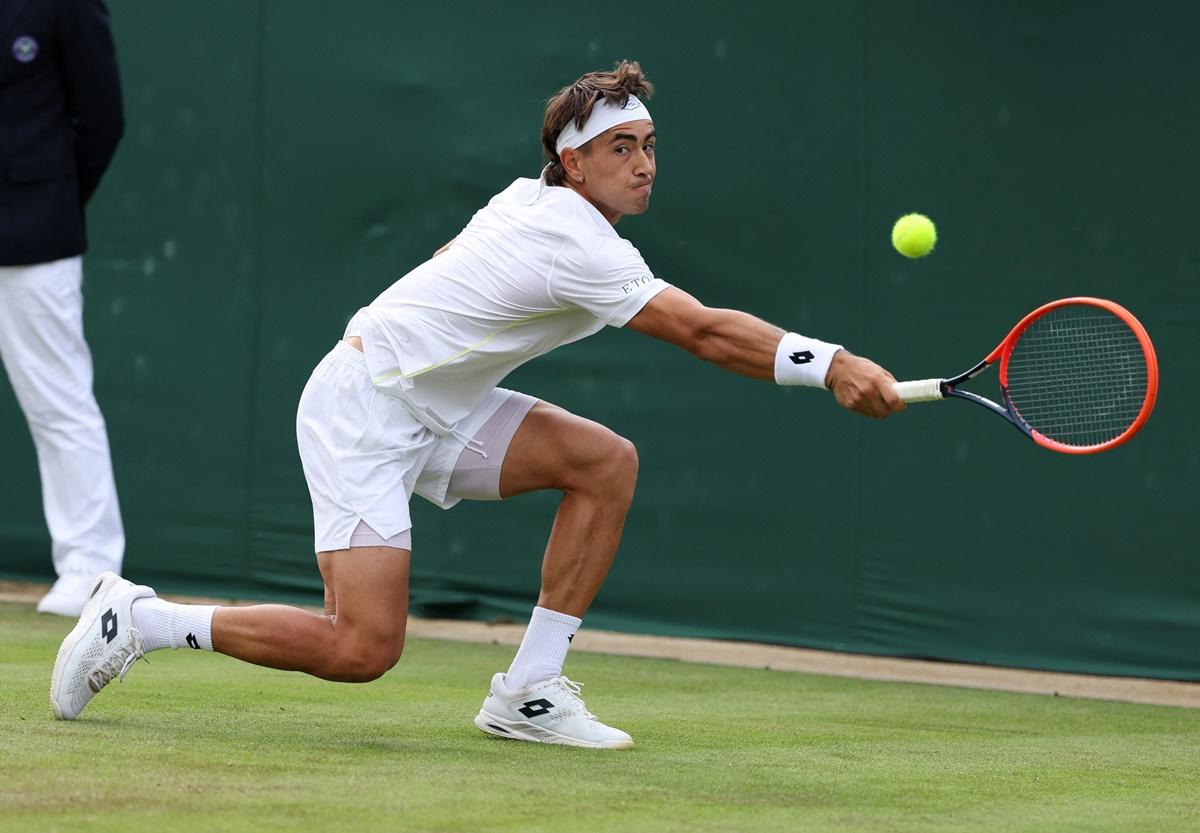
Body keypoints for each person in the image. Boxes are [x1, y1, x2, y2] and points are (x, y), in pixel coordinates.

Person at [50, 61, 903, 747]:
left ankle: (528, 691)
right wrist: (829, 364)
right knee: (362, 648)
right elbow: (706, 333)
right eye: (621, 149)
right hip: (363, 408)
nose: (644, 164)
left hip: (439, 400)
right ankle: (146, 618)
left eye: (649, 145)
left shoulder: (531, 197)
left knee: (605, 461)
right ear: (574, 163)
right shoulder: (574, 239)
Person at [1, 0, 126, 616]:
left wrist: (47, 199)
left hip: (33, 236)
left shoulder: (67, 4)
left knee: (58, 401)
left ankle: (89, 569)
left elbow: (103, 117)